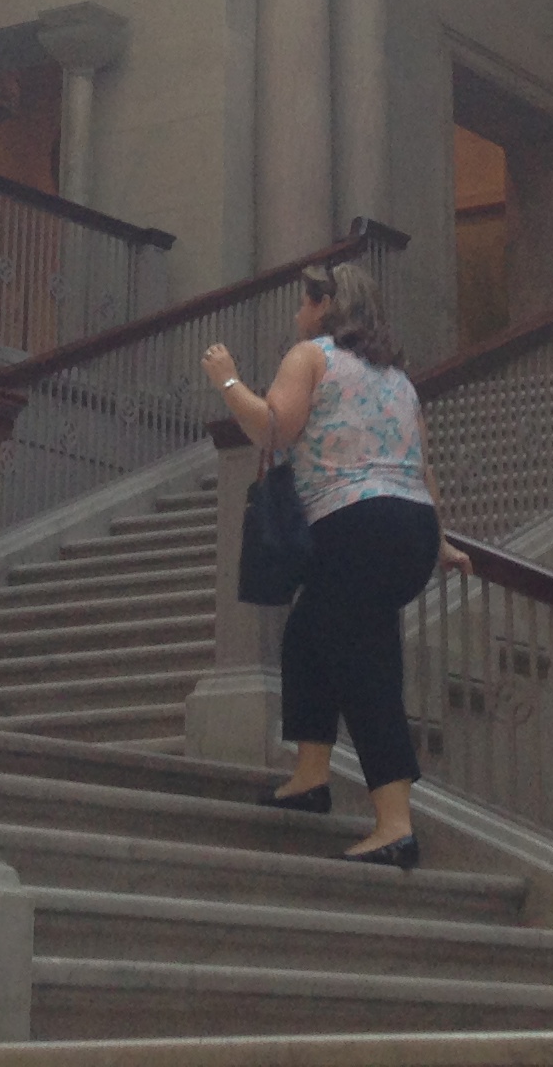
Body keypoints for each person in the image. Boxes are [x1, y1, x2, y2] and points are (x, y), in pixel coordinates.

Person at [201, 259, 467, 867]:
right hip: (408, 527)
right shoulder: (396, 378)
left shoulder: (310, 356)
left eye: (305, 302)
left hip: (355, 524)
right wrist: (441, 541)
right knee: (307, 634)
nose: (299, 313)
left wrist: (227, 379)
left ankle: (395, 825)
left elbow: (273, 429)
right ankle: (310, 776)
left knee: (366, 663)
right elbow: (421, 464)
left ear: (325, 305)